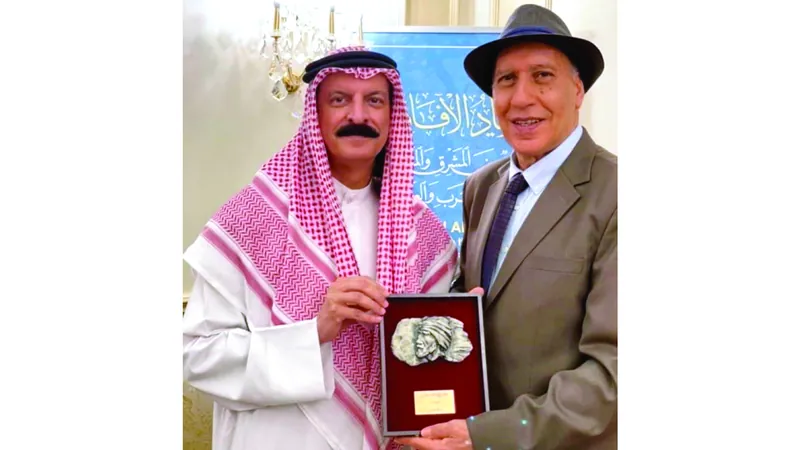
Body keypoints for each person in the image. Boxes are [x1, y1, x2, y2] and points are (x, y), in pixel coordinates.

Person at [182, 46, 458, 450]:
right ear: (316, 113)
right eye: (340, 100)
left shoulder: (424, 235)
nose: (359, 116)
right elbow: (199, 357)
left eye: (374, 101)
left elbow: (428, 365)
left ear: (391, 116)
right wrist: (314, 333)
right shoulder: (252, 219)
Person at [397, 5, 617, 450]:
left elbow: (612, 373)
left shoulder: (618, 194)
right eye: (506, 80)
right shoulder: (482, 187)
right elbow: (477, 306)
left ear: (577, 90)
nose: (521, 98)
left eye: (542, 76)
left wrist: (488, 433)